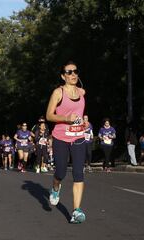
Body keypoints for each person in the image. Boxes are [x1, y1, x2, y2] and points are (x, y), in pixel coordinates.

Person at [46, 60, 87, 224]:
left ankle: (76, 211)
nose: (73, 75)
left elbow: (80, 114)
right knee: (61, 172)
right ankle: (56, 187)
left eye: (75, 71)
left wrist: (83, 123)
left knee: (79, 174)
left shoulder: (82, 92)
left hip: (78, 137)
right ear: (63, 76)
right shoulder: (58, 92)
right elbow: (49, 115)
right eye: (69, 72)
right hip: (61, 137)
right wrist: (66, 119)